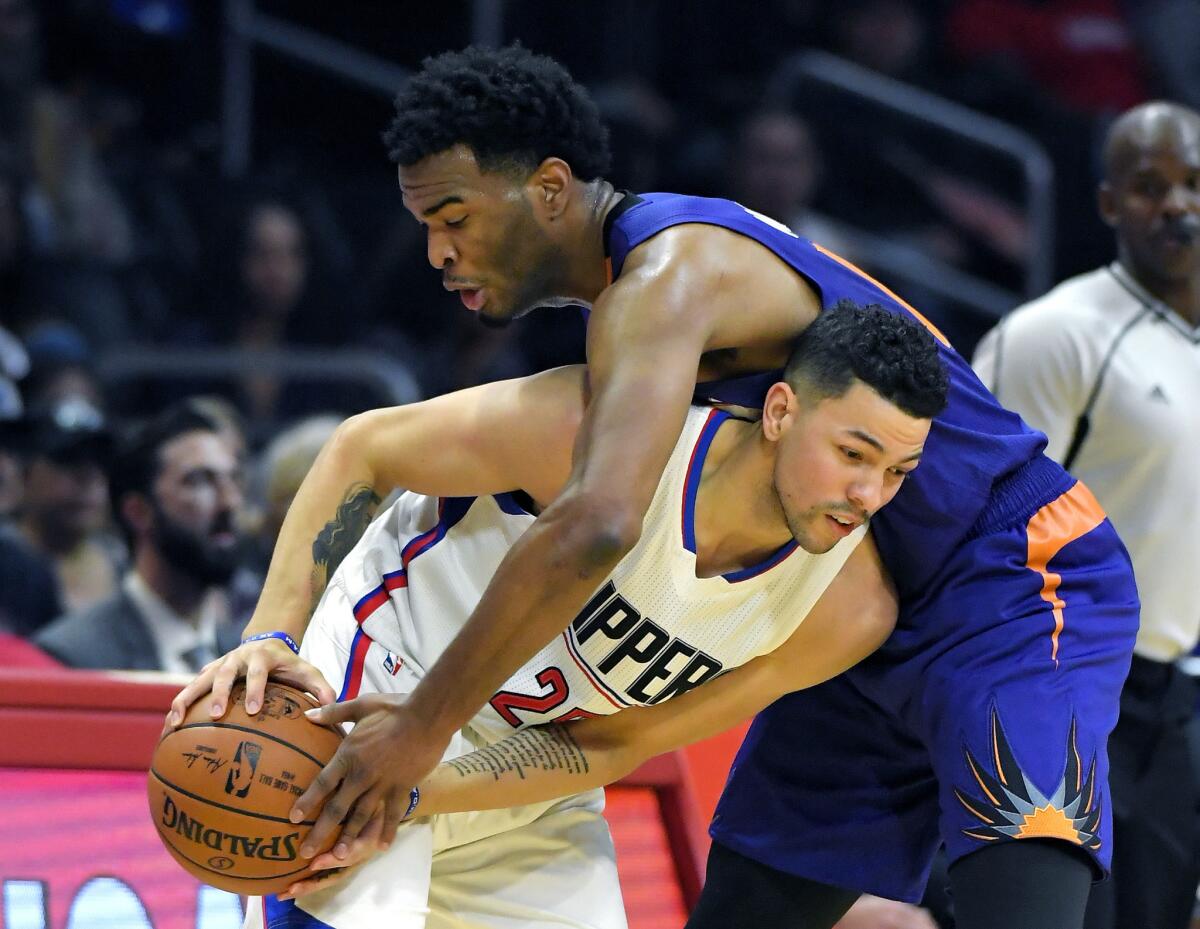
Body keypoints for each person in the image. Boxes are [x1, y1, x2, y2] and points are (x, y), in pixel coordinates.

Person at [168, 46, 1138, 929]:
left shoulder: (667, 279)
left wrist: (420, 731)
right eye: (426, 225)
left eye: (455, 218)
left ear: (549, 189)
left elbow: (598, 518)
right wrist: (273, 636)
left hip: (1009, 570)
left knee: (1025, 893)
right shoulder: (660, 348)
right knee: (752, 902)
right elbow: (378, 453)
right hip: (843, 591)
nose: (437, 253)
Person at [235, 302, 946, 927]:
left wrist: (425, 789)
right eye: (854, 453)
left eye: (897, 473)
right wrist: (272, 632)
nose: (868, 494)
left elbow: (616, 742)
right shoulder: (603, 432)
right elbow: (365, 449)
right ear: (781, 411)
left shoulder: (848, 609)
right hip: (385, 682)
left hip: (521, 775)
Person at [972, 100, 1200, 929]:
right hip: (1064, 689)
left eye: (1194, 182)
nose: (1177, 204)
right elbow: (969, 519)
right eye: (1149, 186)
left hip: (1177, 703)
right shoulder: (1056, 336)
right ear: (1108, 204)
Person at [35, 403, 246, 671]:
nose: (230, 502)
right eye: (199, 481)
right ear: (138, 512)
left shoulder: (247, 654)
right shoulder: (73, 656)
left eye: (234, 479)